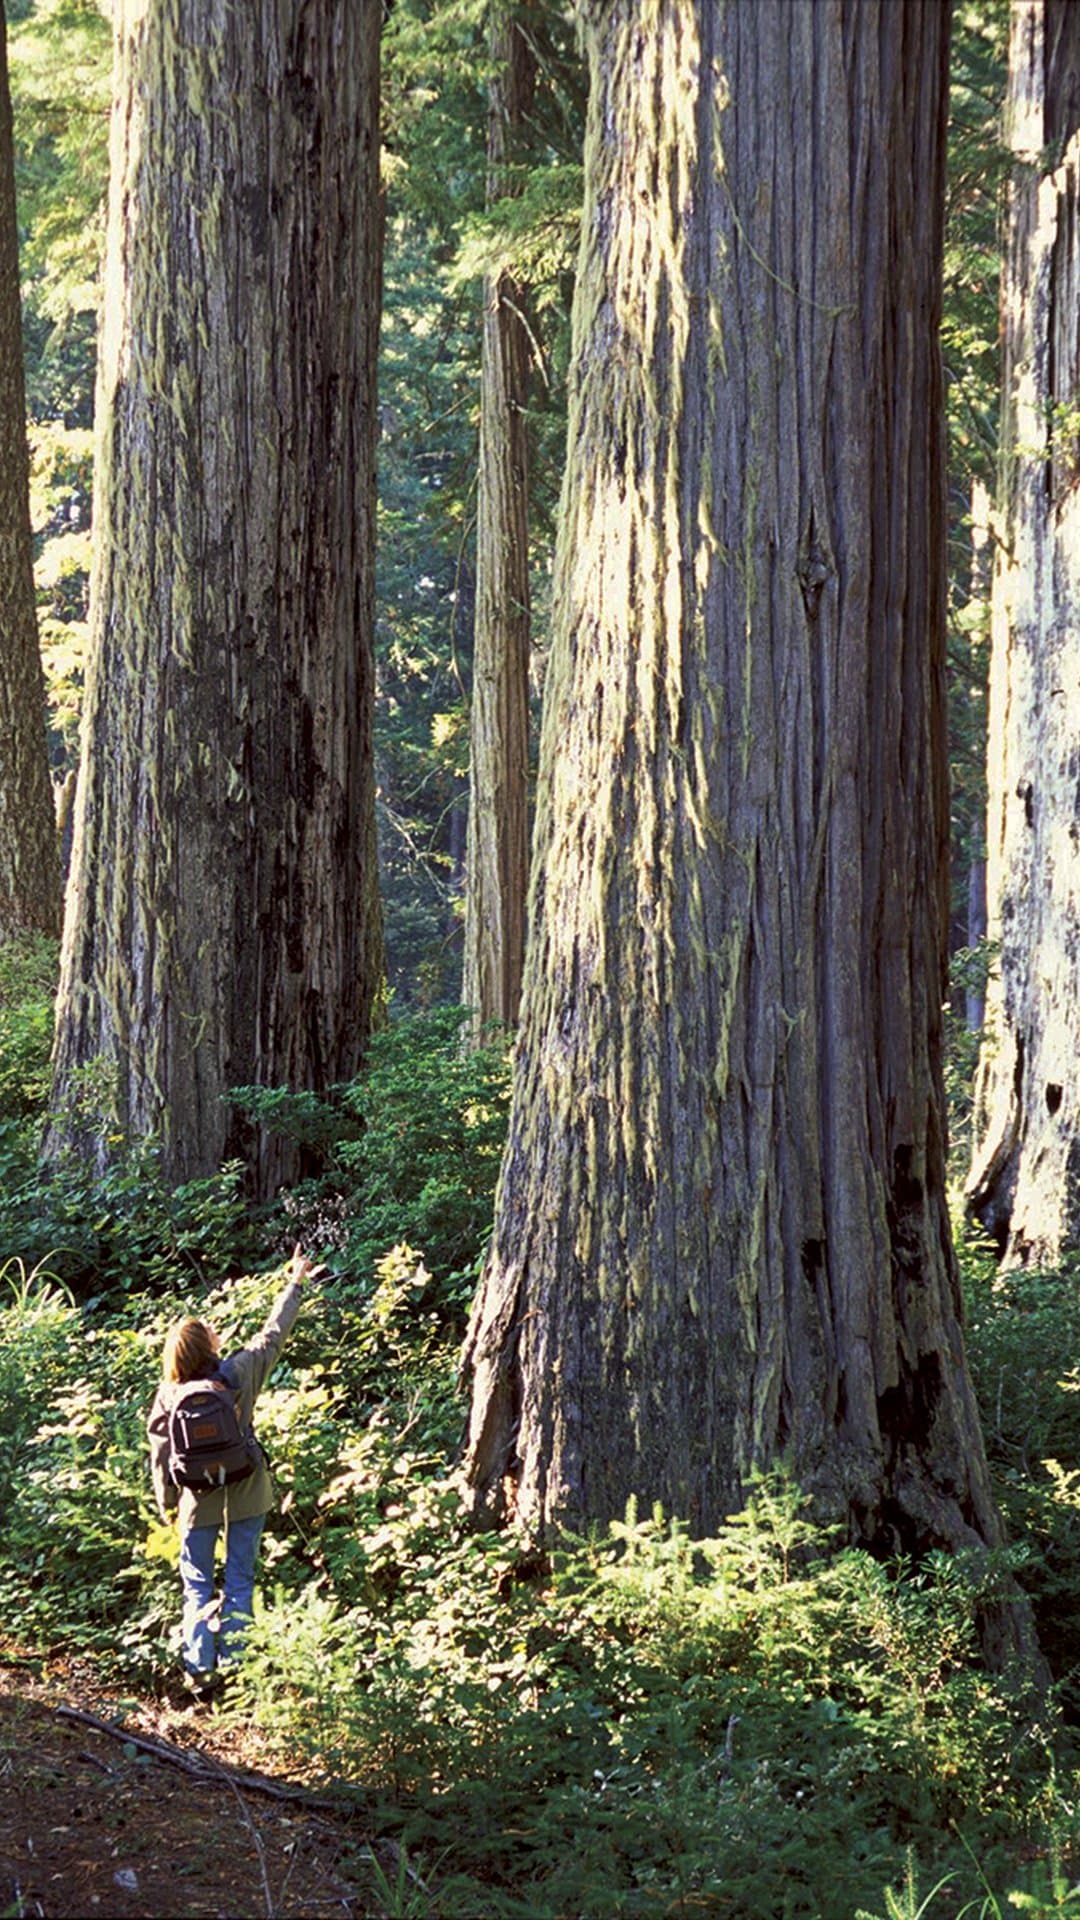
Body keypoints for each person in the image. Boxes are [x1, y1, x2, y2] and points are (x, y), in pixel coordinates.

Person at [147, 1244, 320, 1695]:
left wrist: (168, 1504)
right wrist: (295, 1283)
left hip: (196, 1502)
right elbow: (273, 1334)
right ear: (209, 1346)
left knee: (198, 1587)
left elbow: (161, 1457)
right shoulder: (239, 1372)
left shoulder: (169, 1395)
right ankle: (239, 1672)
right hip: (248, 1491)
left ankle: (201, 1672)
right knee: (240, 1579)